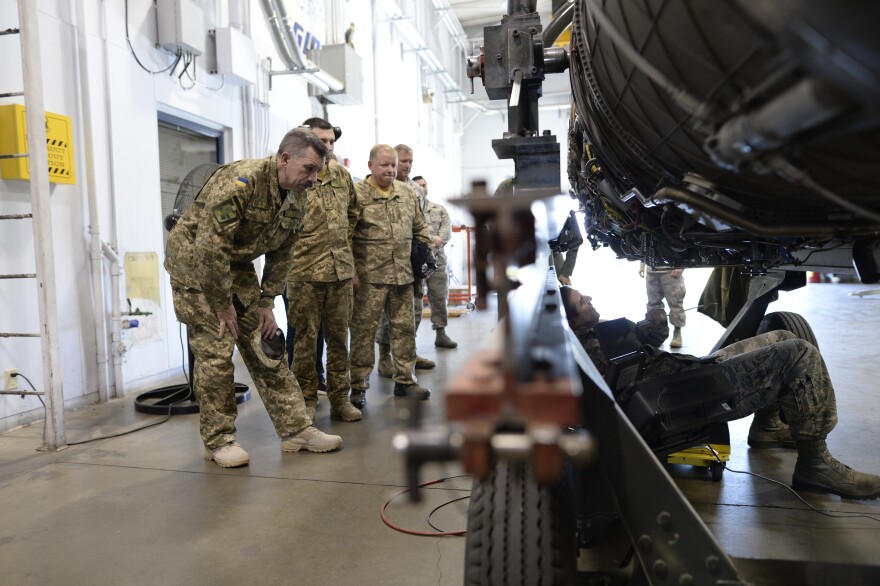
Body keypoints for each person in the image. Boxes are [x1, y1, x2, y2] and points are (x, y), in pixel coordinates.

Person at [560, 285, 880, 499]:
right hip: (689, 394)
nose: (588, 298)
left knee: (780, 334)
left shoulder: (588, 339)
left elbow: (645, 357)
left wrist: (650, 326)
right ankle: (815, 464)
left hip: (685, 374)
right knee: (799, 353)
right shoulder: (590, 350)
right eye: (581, 302)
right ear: (572, 321)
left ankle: (767, 428)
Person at [164, 127, 342, 468]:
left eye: (318, 171)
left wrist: (266, 302)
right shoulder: (240, 182)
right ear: (285, 158)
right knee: (217, 350)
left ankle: (296, 430)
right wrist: (221, 305)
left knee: (265, 344)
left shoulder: (298, 193)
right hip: (195, 268)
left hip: (235, 264)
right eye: (309, 169)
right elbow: (209, 247)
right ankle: (219, 441)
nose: (314, 179)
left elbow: (284, 251)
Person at [286, 117, 362, 423]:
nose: (328, 147)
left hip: (339, 272)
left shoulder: (341, 175)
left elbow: (354, 211)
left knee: (338, 340)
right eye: (322, 141)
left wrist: (341, 244)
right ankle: (305, 400)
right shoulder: (294, 175)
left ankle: (340, 399)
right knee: (304, 342)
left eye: (331, 142)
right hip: (304, 271)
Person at [348, 144, 433, 408]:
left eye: (393, 165)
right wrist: (351, 271)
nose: (391, 169)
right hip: (369, 278)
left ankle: (405, 381)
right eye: (385, 165)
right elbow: (345, 234)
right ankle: (359, 386)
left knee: (404, 330)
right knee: (363, 333)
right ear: (371, 165)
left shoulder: (407, 192)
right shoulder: (358, 194)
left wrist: (423, 257)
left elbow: (420, 227)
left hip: (403, 276)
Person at [374, 144, 436, 374]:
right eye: (402, 161)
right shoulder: (381, 188)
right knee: (387, 315)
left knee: (414, 311)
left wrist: (426, 255)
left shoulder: (414, 190)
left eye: (410, 161)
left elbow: (422, 222)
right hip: (386, 264)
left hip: (412, 261)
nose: (407, 165)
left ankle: (408, 353)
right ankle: (385, 357)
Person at [412, 175, 457, 349]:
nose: (422, 188)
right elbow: (413, 235)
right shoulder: (411, 209)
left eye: (424, 185)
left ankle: (441, 333)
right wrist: (432, 240)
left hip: (437, 261)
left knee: (439, 296)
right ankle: (411, 340)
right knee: (415, 300)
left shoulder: (439, 209)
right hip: (416, 262)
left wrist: (430, 242)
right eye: (418, 186)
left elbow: (446, 234)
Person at [639, 262, 686, 348]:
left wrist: (681, 266)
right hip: (651, 270)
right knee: (653, 304)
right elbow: (643, 249)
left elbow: (684, 249)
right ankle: (656, 333)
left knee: (675, 303)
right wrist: (642, 265)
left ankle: (677, 332)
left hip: (670, 270)